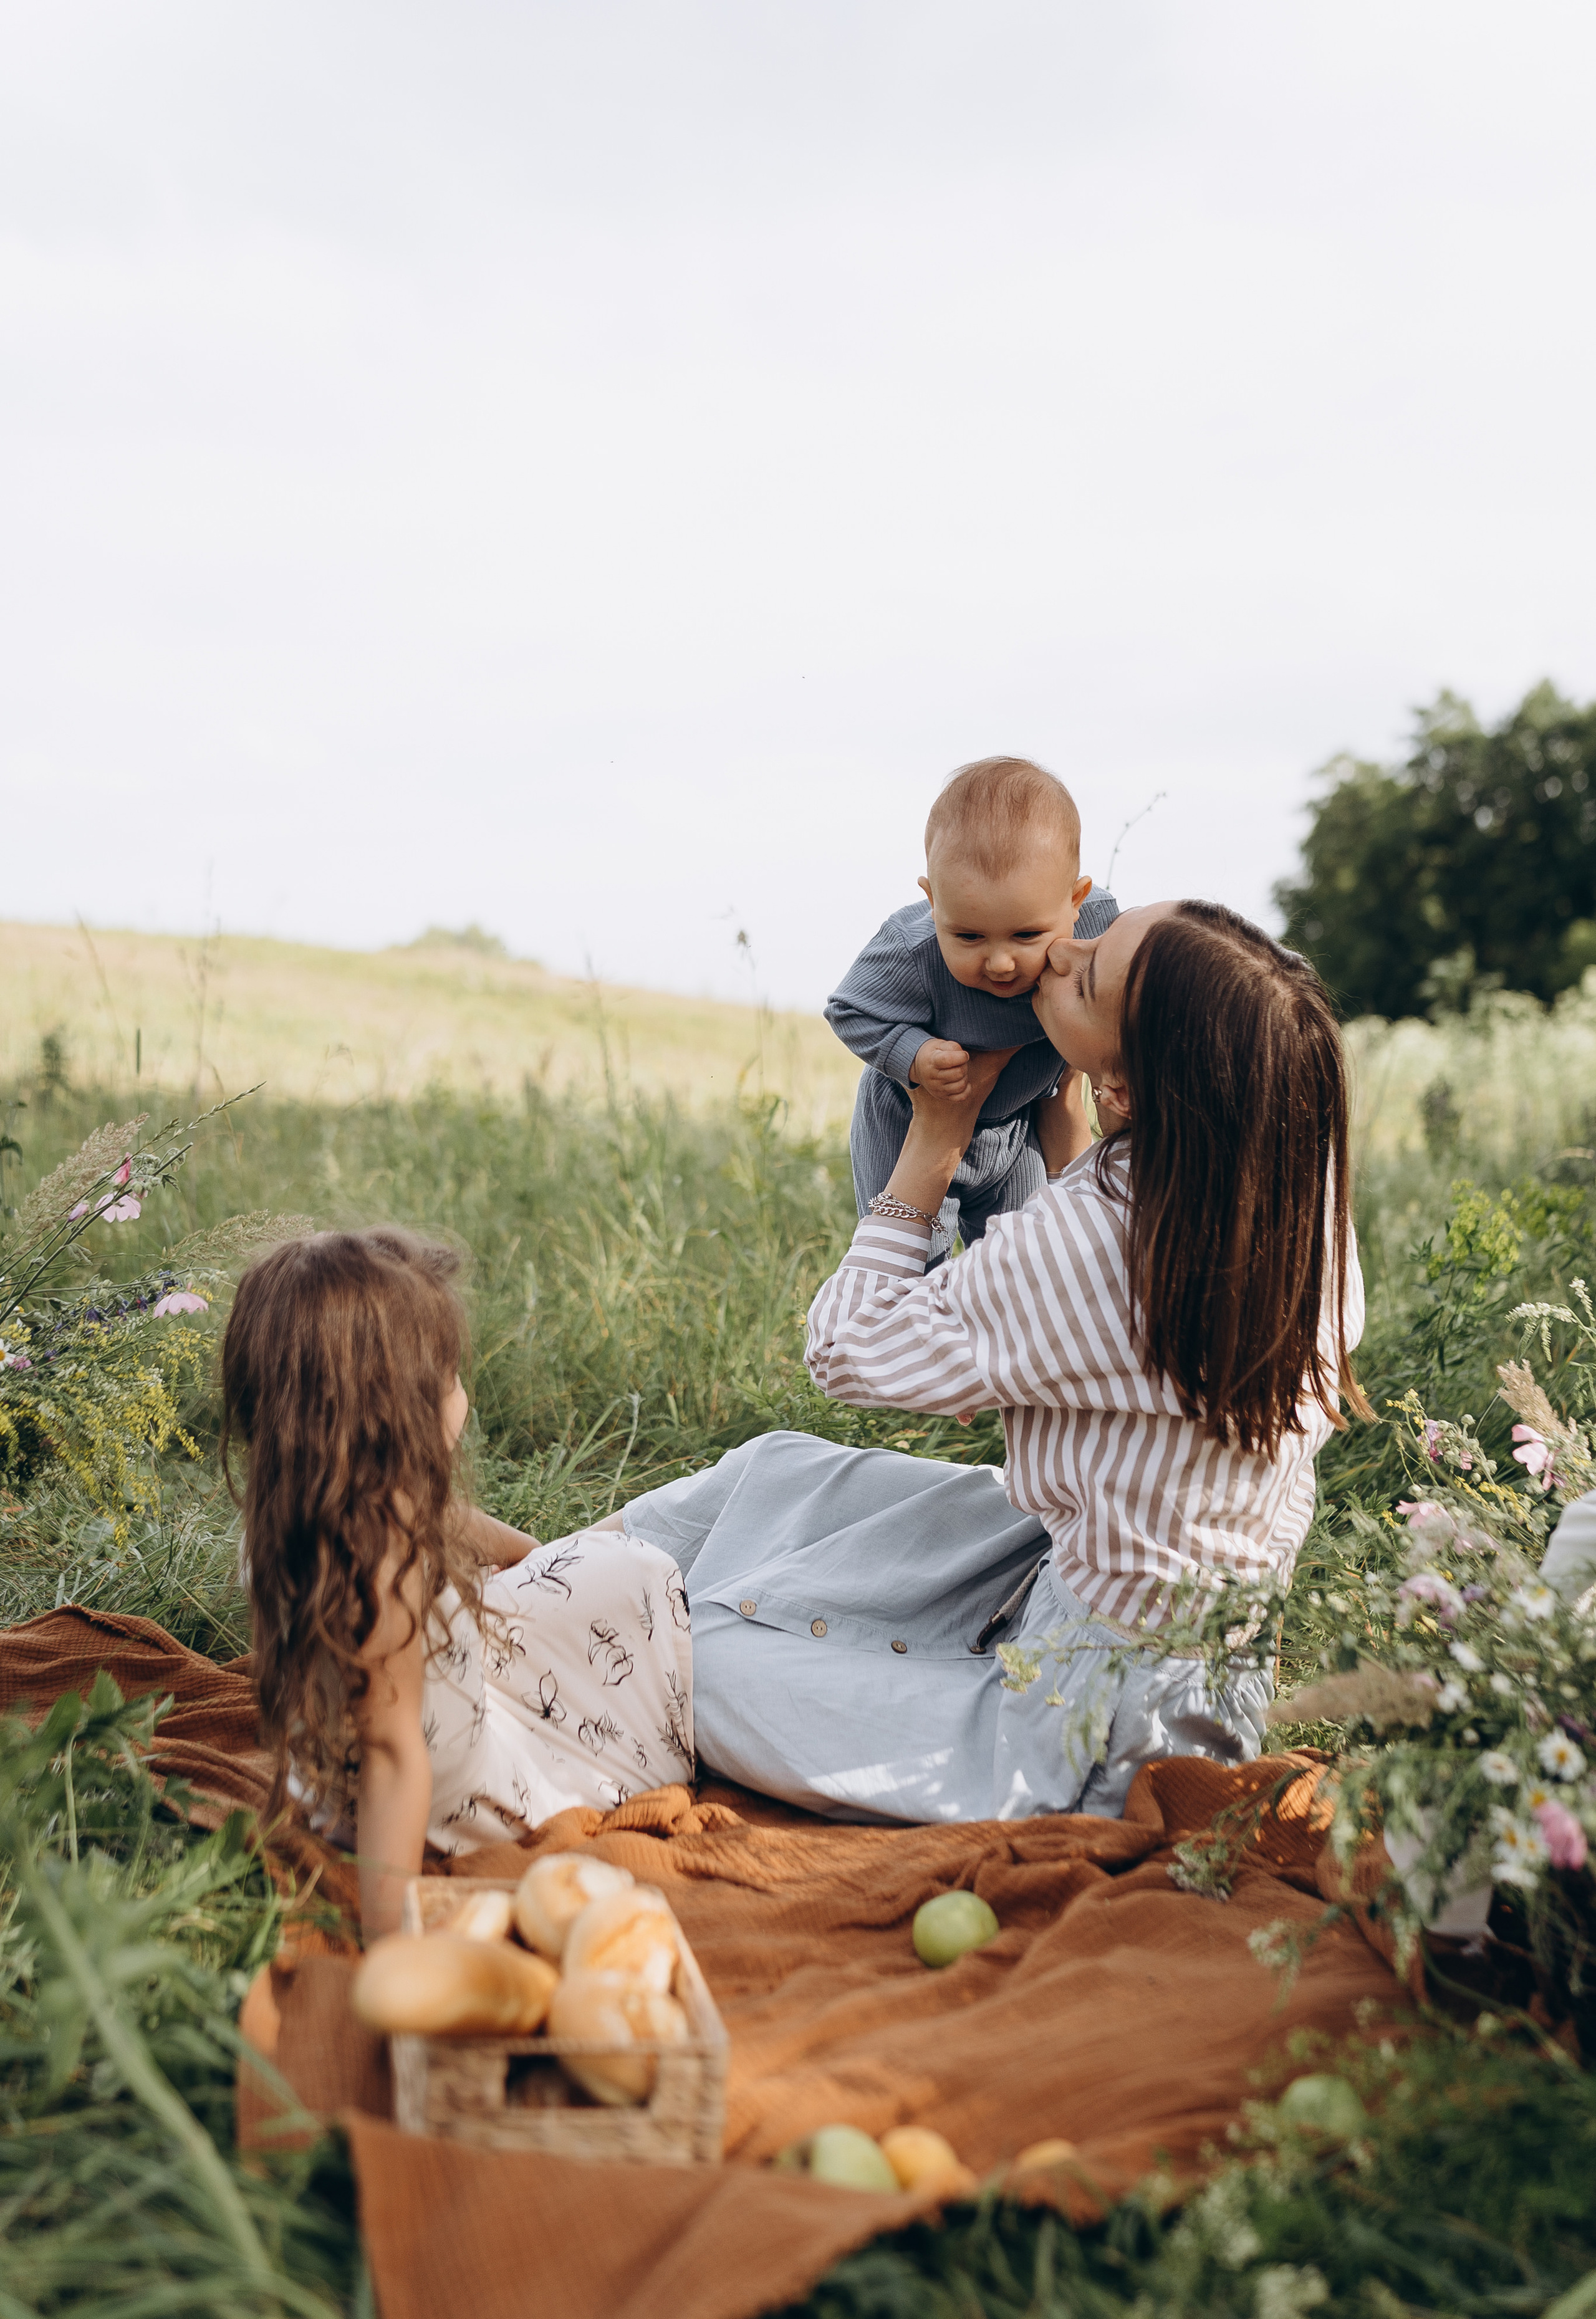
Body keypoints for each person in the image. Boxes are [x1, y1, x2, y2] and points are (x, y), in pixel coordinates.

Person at [617, 900, 1370, 1824]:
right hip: (1120, 1589)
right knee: (778, 1472)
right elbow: (1108, 1318)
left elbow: (847, 1350)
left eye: (1086, 973)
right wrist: (1072, 1115)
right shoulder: (1286, 1187)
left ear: (1130, 1081)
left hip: (1092, 1725)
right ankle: (553, 1573)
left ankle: (562, 1622)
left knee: (684, 1662)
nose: (1060, 949)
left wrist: (931, 1144)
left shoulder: (1097, 1245)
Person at [221, 1228, 693, 1937]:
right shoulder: (377, 1574)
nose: (461, 1394)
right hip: (456, 1793)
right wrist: (392, 1936)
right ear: (396, 1415)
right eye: (448, 1379)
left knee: (598, 1577)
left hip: (429, 1717)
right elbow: (392, 1756)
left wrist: (531, 1553)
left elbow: (441, 1513)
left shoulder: (312, 1495)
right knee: (634, 1594)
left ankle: (613, 1568)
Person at [825, 756, 1120, 1267]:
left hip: (1019, 1123)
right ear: (933, 902)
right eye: (968, 936)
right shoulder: (909, 950)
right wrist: (913, 1055)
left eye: (1027, 935)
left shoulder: (1098, 932)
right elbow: (849, 1010)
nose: (1001, 962)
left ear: (1076, 900)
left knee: (1025, 1258)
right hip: (909, 1122)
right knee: (913, 1264)